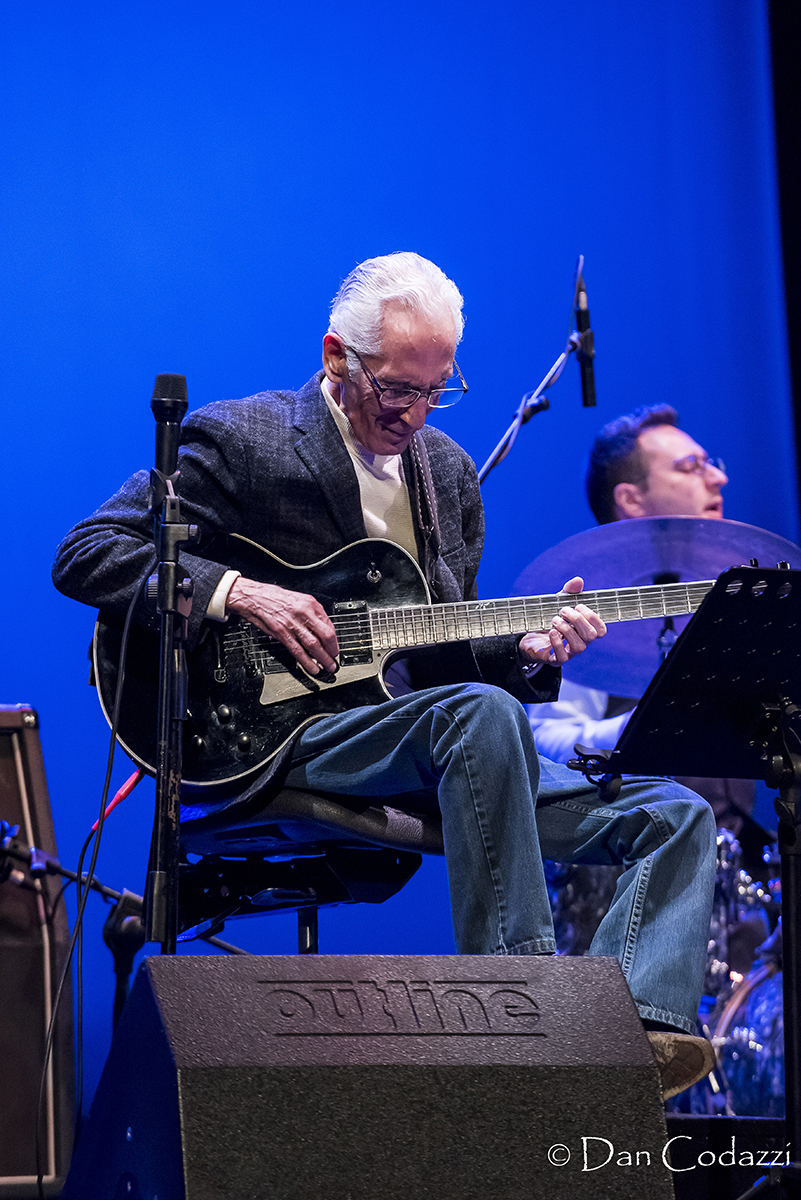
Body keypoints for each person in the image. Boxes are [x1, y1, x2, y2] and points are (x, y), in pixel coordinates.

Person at [52, 253, 716, 1096]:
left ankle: (636, 1035)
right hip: (268, 736)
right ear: (336, 356)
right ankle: (527, 1009)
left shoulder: (444, 473)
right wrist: (235, 591)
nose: (414, 412)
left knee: (673, 813)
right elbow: (87, 553)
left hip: (415, 738)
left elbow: (445, 658)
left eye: (437, 390)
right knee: (473, 716)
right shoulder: (245, 438)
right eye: (397, 389)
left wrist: (528, 653)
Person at [527, 405, 755, 831]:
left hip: (732, 851)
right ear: (630, 499)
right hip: (628, 846)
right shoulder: (583, 606)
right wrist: (646, 726)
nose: (717, 477)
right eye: (690, 467)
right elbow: (542, 742)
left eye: (711, 464)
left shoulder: (733, 597)